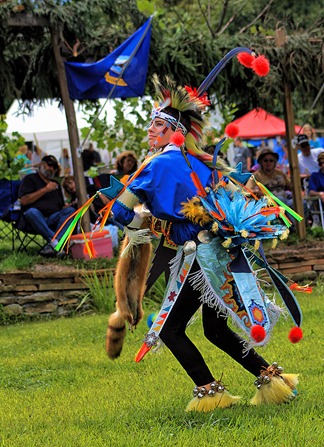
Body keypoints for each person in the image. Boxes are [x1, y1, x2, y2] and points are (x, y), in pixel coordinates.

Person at [95, 75, 301, 413]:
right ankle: (272, 380)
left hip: (195, 258)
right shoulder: (205, 162)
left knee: (170, 329)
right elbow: (237, 197)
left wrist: (145, 224)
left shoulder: (153, 165)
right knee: (214, 329)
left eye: (157, 124)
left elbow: (119, 212)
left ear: (174, 131)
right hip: (222, 252)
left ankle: (210, 391)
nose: (150, 130)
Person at [18, 155, 76, 257]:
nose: (52, 169)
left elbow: (61, 208)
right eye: (49, 165)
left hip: (52, 218)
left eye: (54, 167)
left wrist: (71, 205)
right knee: (32, 212)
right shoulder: (30, 179)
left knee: (70, 211)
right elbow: (24, 201)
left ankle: (53, 245)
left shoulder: (55, 184)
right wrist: (45, 189)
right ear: (41, 164)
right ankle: (56, 243)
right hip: (35, 219)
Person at [307, 151, 324, 228]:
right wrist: (320, 194)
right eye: (320, 164)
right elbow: (311, 192)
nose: (323, 165)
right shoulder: (315, 176)